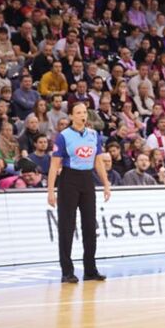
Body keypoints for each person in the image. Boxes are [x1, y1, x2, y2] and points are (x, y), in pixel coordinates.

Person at [47, 102, 111, 283]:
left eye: (84, 112)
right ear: (72, 116)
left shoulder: (93, 135)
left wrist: (106, 183)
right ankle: (67, 271)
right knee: (67, 227)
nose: (82, 115)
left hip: (87, 180)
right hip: (69, 180)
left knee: (90, 226)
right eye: (78, 112)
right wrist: (51, 191)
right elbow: (54, 166)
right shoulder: (63, 136)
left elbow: (98, 162)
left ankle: (90, 270)